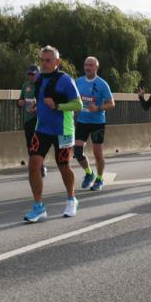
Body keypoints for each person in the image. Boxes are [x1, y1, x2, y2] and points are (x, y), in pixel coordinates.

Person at [23, 45, 83, 222]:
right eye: (41, 60)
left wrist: (57, 106)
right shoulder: (39, 79)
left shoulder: (65, 80)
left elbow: (78, 105)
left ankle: (72, 199)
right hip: (42, 129)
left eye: (48, 60)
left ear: (57, 62)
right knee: (34, 164)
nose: (43, 63)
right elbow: (42, 99)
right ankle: (38, 206)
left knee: (63, 166)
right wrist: (36, 106)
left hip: (63, 130)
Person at [74, 56, 115, 191]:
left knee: (98, 153)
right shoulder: (78, 81)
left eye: (91, 65)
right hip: (82, 121)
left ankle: (99, 178)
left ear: (96, 68)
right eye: (86, 65)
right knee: (77, 151)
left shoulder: (102, 84)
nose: (88, 67)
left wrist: (98, 108)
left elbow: (111, 103)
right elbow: (75, 99)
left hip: (97, 122)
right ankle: (89, 173)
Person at [17, 64, 46, 178]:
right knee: (30, 145)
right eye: (29, 74)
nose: (31, 76)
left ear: (38, 73)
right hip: (28, 120)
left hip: (40, 120)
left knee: (39, 144)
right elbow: (20, 100)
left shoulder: (43, 85)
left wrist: (37, 109)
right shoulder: (26, 86)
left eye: (33, 74)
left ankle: (40, 166)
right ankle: (36, 166)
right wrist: (20, 103)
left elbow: (47, 102)